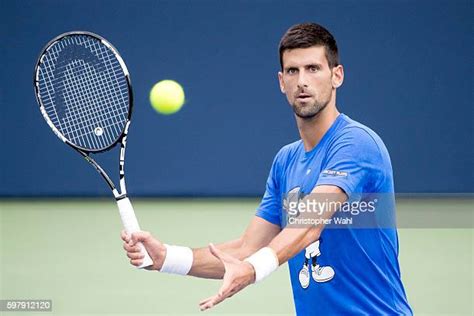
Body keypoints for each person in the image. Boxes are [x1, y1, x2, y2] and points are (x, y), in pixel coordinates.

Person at [121, 22, 412, 315]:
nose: (302, 81)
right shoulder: (285, 162)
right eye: (292, 71)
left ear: (337, 75)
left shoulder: (357, 143)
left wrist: (253, 269)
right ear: (281, 81)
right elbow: (249, 247)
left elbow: (310, 223)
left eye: (313, 68)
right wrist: (166, 258)